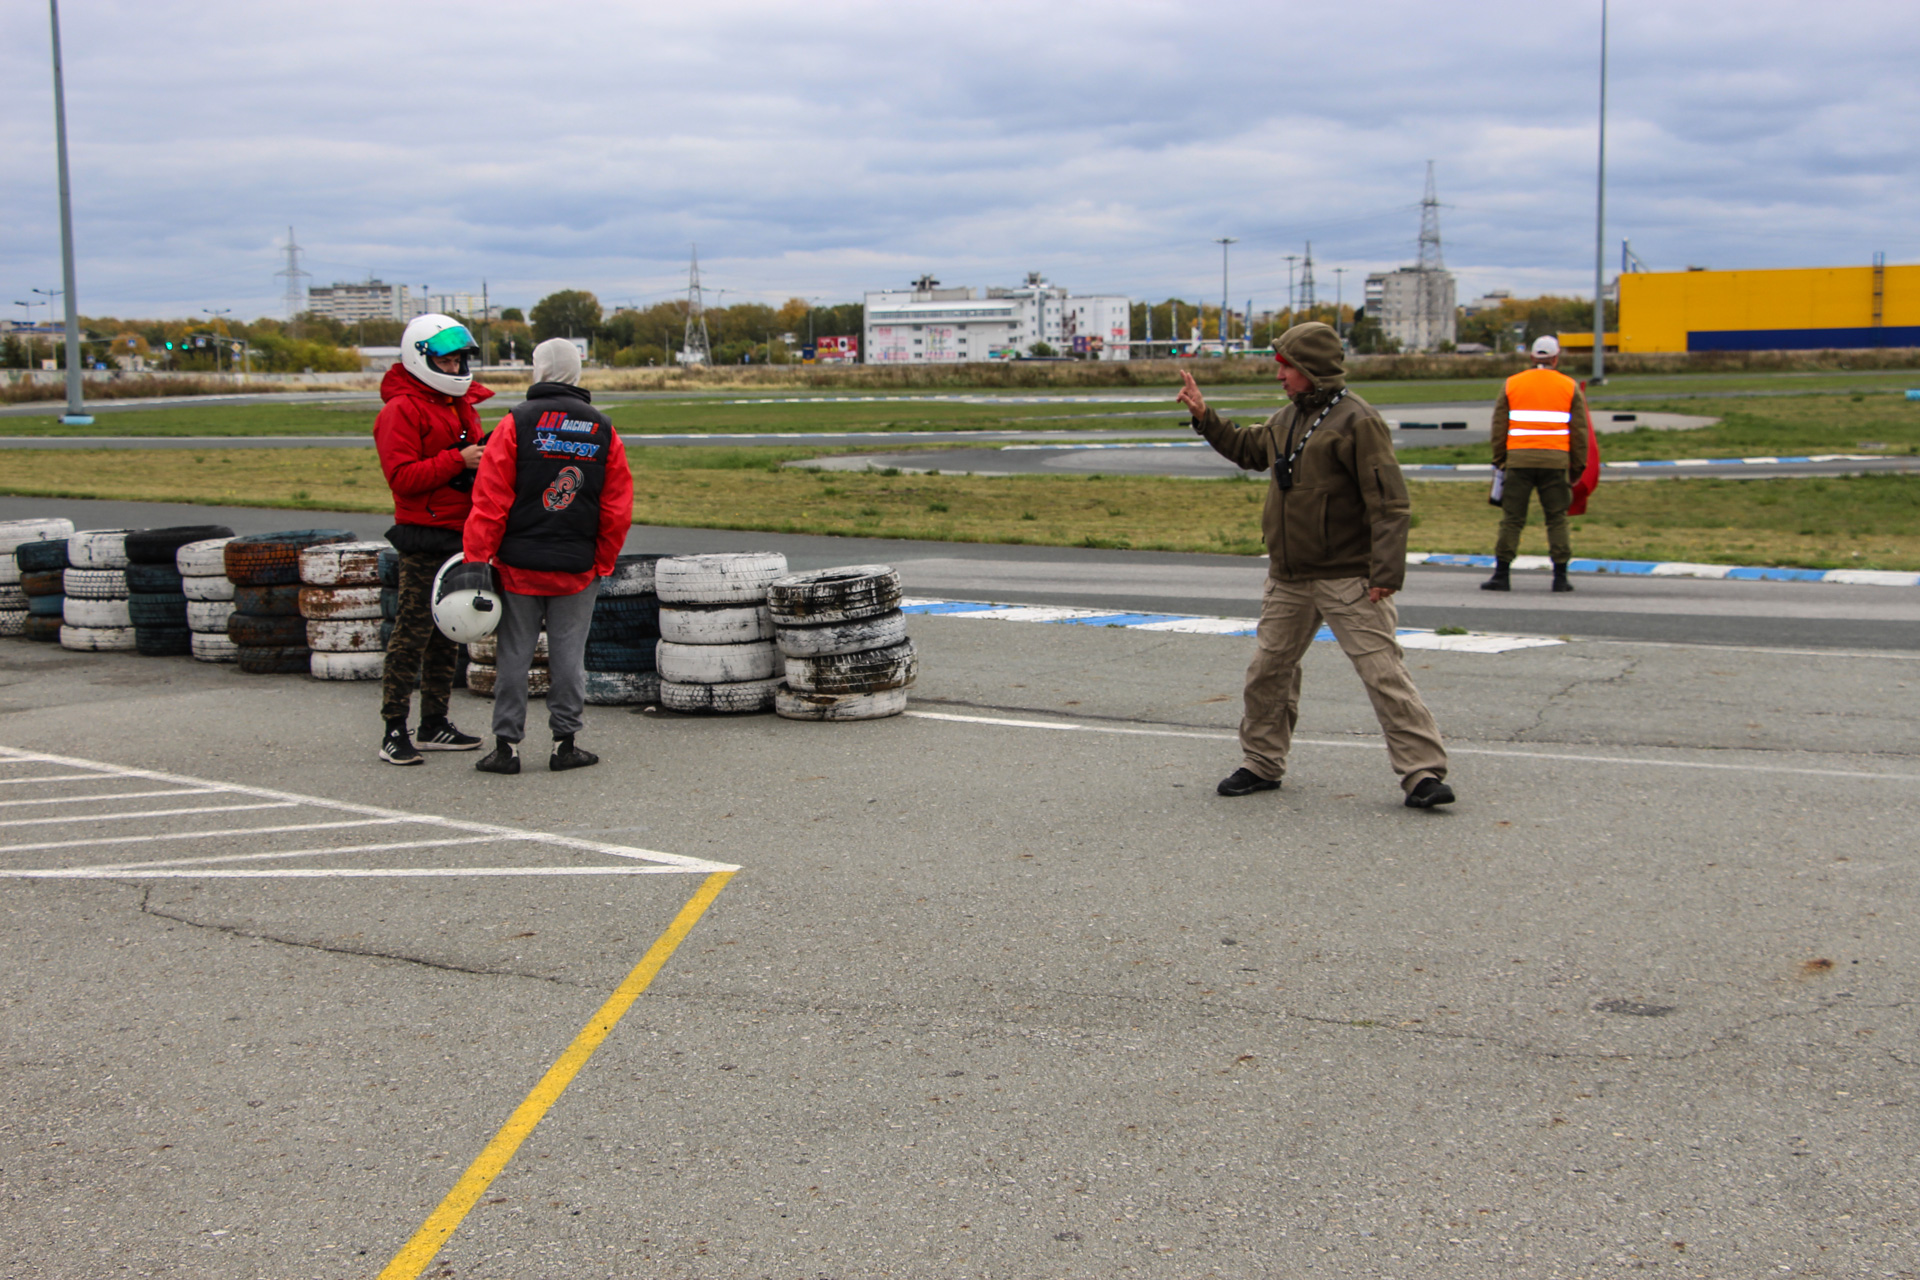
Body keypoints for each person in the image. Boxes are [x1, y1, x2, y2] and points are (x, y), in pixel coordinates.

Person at [1177, 321, 1454, 809]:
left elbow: (1389, 502)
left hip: (1349, 576)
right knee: (1267, 673)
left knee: (1383, 674)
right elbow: (1248, 449)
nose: (1279, 375)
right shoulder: (1285, 419)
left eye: (1286, 366)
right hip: (1289, 577)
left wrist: (1385, 572)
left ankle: (1422, 774)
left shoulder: (1358, 421)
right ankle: (1262, 762)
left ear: (1311, 368)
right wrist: (1205, 417)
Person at [463, 337, 634, 775]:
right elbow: (616, 507)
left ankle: (506, 747)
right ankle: (565, 743)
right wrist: (602, 562)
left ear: (537, 370)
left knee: (513, 656)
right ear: (577, 371)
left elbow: (490, 499)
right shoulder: (603, 428)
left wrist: (477, 559)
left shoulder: (514, 423)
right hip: (577, 568)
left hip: (518, 566)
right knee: (569, 658)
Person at [373, 314, 491, 765]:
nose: (456, 368)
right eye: (446, 361)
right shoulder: (401, 410)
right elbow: (402, 478)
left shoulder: (461, 405)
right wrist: (458, 460)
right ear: (420, 358)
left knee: (449, 633)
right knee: (412, 634)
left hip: (461, 533)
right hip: (423, 535)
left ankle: (434, 722)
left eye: (459, 360)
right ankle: (393, 728)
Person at [1482, 335, 1592, 593]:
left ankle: (1501, 575)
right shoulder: (1569, 386)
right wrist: (1577, 466)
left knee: (1512, 519)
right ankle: (1560, 577)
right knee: (1556, 519)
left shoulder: (1512, 384)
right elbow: (1579, 431)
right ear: (1556, 358)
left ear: (1532, 357)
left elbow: (1499, 426)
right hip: (1556, 461)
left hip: (1518, 461)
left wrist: (1500, 460)